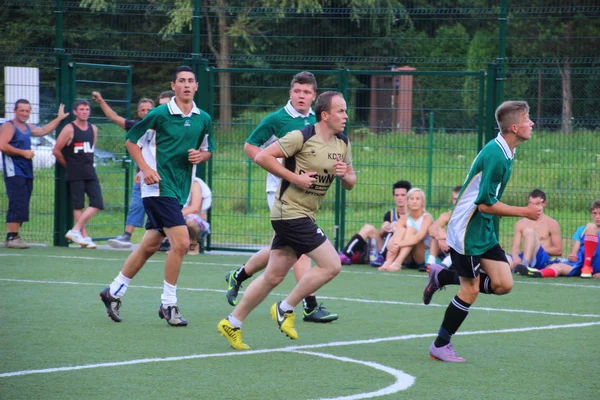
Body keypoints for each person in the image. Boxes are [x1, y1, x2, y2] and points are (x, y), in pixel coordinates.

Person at [217, 91, 356, 350]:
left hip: (304, 213)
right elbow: (262, 156)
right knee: (332, 264)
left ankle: (232, 323)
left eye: (345, 111)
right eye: (341, 111)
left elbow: (351, 182)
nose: (346, 116)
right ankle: (285, 308)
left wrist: (344, 176)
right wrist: (295, 178)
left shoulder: (342, 143)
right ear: (325, 115)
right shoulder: (300, 136)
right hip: (289, 213)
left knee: (273, 276)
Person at [426, 101, 542, 362]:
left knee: (504, 284)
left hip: (482, 227)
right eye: (527, 119)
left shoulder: (507, 149)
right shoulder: (497, 155)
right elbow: (485, 205)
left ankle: (443, 276)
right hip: (466, 231)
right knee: (471, 290)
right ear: (514, 127)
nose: (532, 123)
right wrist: (525, 212)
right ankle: (440, 345)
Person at [98, 66, 214, 326]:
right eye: (181, 81)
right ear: (173, 86)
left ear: (196, 86)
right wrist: (147, 169)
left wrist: (201, 155)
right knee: (182, 243)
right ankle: (168, 304)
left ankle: (113, 292)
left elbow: (206, 149)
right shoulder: (159, 114)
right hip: (158, 188)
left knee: (149, 245)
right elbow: (131, 141)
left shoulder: (203, 118)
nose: (186, 85)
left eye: (190, 81)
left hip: (180, 189)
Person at [90, 90, 175, 248]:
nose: (146, 112)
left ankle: (165, 238)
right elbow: (115, 118)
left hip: (165, 177)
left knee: (163, 207)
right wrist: (101, 100)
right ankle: (127, 236)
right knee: (137, 203)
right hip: (143, 176)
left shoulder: (168, 127)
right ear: (138, 112)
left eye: (149, 109)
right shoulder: (138, 127)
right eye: (142, 110)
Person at [0, 100, 69, 248]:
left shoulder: (26, 127)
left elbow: (43, 130)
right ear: (15, 111)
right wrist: (23, 152)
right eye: (22, 110)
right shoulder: (9, 126)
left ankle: (14, 236)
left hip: (26, 170)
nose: (25, 113)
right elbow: (3, 145)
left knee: (23, 202)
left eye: (27, 111)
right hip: (14, 171)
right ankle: (11, 237)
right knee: (17, 202)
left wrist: (59, 118)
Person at [53, 100, 104, 249]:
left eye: (87, 109)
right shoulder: (69, 129)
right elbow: (56, 150)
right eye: (81, 109)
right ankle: (84, 237)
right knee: (78, 204)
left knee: (97, 202)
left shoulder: (93, 129)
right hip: (75, 171)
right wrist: (69, 165)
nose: (85, 112)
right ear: (75, 112)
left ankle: (75, 230)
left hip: (89, 170)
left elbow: (91, 149)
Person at [515, 199, 600, 279]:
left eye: (599, 213)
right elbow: (574, 252)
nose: (597, 216)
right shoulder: (582, 230)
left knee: (591, 226)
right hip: (581, 265)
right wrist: (573, 256)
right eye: (595, 213)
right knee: (558, 267)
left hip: (596, 265)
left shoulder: (590, 227)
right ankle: (538, 273)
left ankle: (587, 268)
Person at [339, 180, 412, 266]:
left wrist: (397, 226)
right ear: (393, 197)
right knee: (368, 228)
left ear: (409, 197)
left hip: (404, 251)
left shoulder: (413, 214)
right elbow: (382, 232)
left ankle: (384, 257)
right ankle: (345, 255)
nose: (399, 198)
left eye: (403, 195)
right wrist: (385, 228)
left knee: (396, 229)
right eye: (397, 195)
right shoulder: (390, 214)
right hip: (387, 247)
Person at [376, 188, 434, 272]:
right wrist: (393, 245)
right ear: (407, 202)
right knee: (402, 230)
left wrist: (398, 245)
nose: (414, 201)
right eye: (411, 199)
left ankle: (397, 262)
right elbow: (393, 241)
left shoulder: (427, 217)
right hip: (408, 257)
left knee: (410, 230)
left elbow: (418, 237)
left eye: (417, 199)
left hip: (422, 256)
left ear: (422, 202)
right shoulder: (404, 219)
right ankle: (388, 262)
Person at [509, 189, 562, 272]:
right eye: (530, 203)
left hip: (541, 257)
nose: (533, 207)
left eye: (537, 204)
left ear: (544, 204)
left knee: (529, 232)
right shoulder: (521, 223)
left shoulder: (552, 223)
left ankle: (525, 265)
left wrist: (532, 248)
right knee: (505, 261)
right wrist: (515, 257)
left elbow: (558, 250)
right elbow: (515, 248)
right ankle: (522, 265)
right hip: (524, 256)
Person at [426, 186, 461, 269]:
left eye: (459, 198)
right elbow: (431, 230)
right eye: (454, 199)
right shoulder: (447, 215)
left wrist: (445, 236)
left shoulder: (471, 216)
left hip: (463, 250)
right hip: (446, 248)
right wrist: (440, 237)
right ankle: (430, 263)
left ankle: (446, 263)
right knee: (437, 230)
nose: (457, 202)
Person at [183, 176, 212, 255]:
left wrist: (175, 215)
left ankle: (193, 244)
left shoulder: (195, 184)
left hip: (197, 221)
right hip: (180, 218)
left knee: (190, 221)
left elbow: (195, 209)